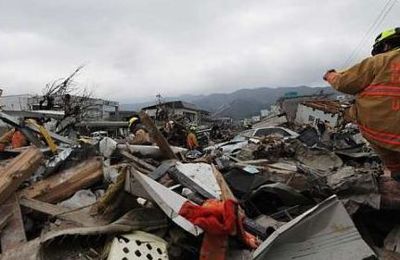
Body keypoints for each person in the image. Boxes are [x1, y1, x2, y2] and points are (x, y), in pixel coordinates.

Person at [324, 27, 400, 180]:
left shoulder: (380, 61)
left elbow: (345, 83)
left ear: (385, 46)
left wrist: (331, 75)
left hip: (389, 138)